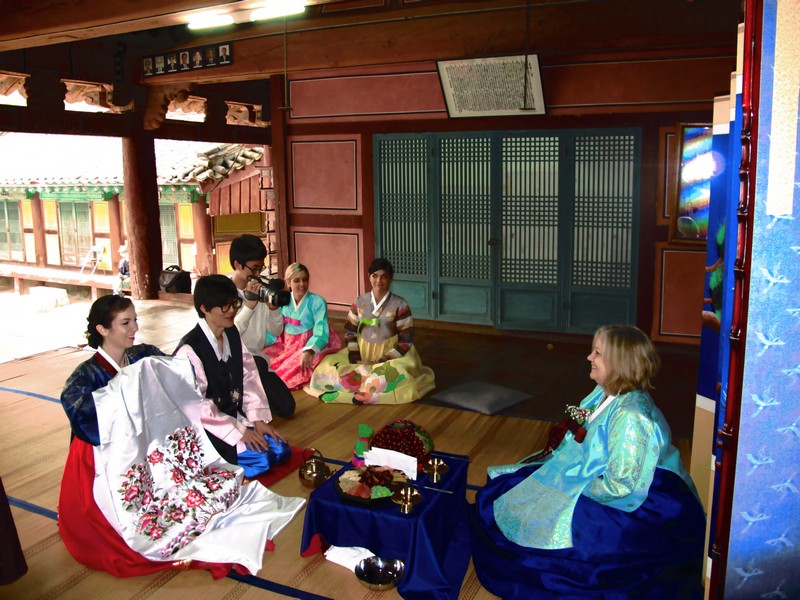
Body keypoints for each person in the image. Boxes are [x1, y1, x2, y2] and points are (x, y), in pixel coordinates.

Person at [469, 325, 706, 599]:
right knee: (512, 488)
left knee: (556, 527)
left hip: (643, 502)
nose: (589, 357)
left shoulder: (632, 416)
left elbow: (622, 488)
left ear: (620, 363)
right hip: (607, 479)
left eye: (597, 353)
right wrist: (561, 471)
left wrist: (568, 485)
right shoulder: (605, 392)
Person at [174, 275, 291, 474]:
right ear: (204, 308)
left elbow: (249, 376)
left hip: (234, 415)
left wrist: (257, 420)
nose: (232, 311)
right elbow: (197, 405)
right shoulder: (190, 350)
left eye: (234, 304)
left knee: (281, 449)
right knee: (263, 459)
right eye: (224, 307)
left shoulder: (231, 332)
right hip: (209, 427)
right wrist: (239, 432)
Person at [305, 258, 435, 404]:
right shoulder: (360, 302)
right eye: (375, 276)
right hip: (362, 351)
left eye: (384, 276)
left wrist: (379, 361)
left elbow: (406, 340)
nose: (379, 280)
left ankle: (370, 384)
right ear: (369, 277)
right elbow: (350, 331)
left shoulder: (400, 304)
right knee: (326, 368)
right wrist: (355, 358)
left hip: (392, 355)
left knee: (391, 376)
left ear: (391, 279)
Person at [229, 234, 295, 417]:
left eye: (261, 267)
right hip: (234, 363)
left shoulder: (261, 289)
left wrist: (273, 309)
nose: (258, 274)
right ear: (237, 265)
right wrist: (249, 305)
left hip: (258, 361)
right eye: (255, 268)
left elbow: (275, 331)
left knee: (287, 407)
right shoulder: (225, 293)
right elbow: (230, 333)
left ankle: (251, 399)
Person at [261, 262, 343, 389]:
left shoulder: (317, 301)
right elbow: (275, 328)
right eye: (296, 280)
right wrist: (260, 341)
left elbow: (321, 330)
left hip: (309, 343)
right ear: (288, 282)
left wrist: (309, 350)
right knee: (263, 358)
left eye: (305, 280)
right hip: (286, 344)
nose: (302, 284)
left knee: (295, 366)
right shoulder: (283, 300)